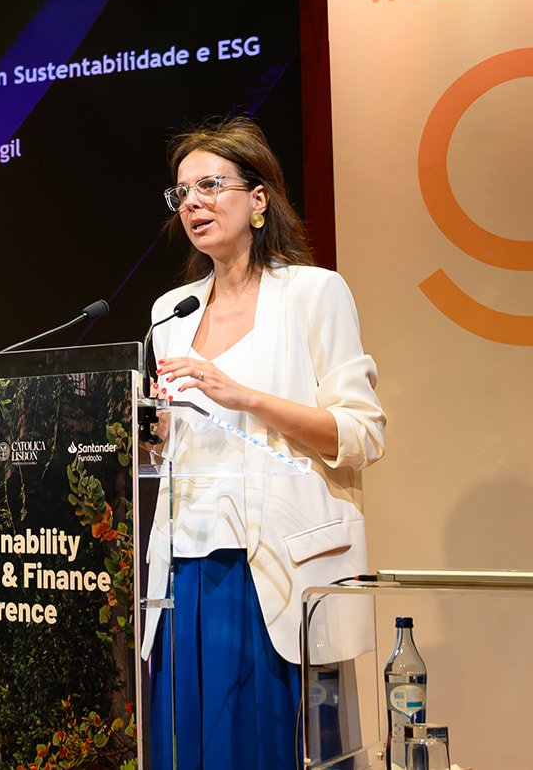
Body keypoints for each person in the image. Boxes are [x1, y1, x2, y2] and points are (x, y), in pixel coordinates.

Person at [140, 116, 385, 770]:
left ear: (258, 199)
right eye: (181, 192)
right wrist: (155, 440)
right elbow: (182, 446)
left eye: (211, 184)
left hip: (274, 571)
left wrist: (242, 394)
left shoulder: (314, 293)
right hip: (187, 574)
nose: (192, 201)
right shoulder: (171, 312)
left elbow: (361, 433)